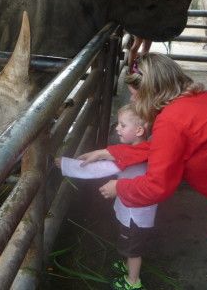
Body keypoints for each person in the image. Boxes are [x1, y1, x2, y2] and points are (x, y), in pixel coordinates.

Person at [79, 53, 207, 290]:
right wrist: (108, 153)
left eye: (135, 97)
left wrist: (119, 188)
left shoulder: (171, 120)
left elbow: (157, 185)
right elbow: (162, 148)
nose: (134, 104)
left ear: (150, 94)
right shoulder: (205, 100)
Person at [56, 104, 155, 290]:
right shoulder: (137, 149)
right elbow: (113, 158)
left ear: (139, 130)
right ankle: (127, 267)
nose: (117, 128)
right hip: (134, 209)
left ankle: (133, 282)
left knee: (133, 249)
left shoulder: (135, 156)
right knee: (129, 242)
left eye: (122, 125)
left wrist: (66, 165)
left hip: (137, 215)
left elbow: (98, 169)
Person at [127, 0, 163, 72]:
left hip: (138, 20)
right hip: (149, 21)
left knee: (134, 47)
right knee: (145, 48)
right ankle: (141, 71)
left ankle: (130, 71)